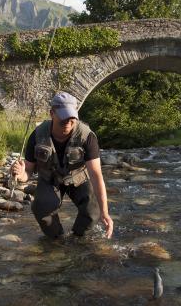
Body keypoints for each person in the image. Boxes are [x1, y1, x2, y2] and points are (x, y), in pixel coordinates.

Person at [11, 92, 114, 239]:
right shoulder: (37, 135)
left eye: (72, 118)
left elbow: (96, 175)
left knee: (93, 211)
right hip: (49, 179)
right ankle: (57, 240)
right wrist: (20, 174)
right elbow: (28, 171)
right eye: (63, 117)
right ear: (52, 113)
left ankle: (78, 238)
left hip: (77, 178)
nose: (68, 122)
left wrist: (105, 212)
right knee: (41, 207)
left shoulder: (87, 137)